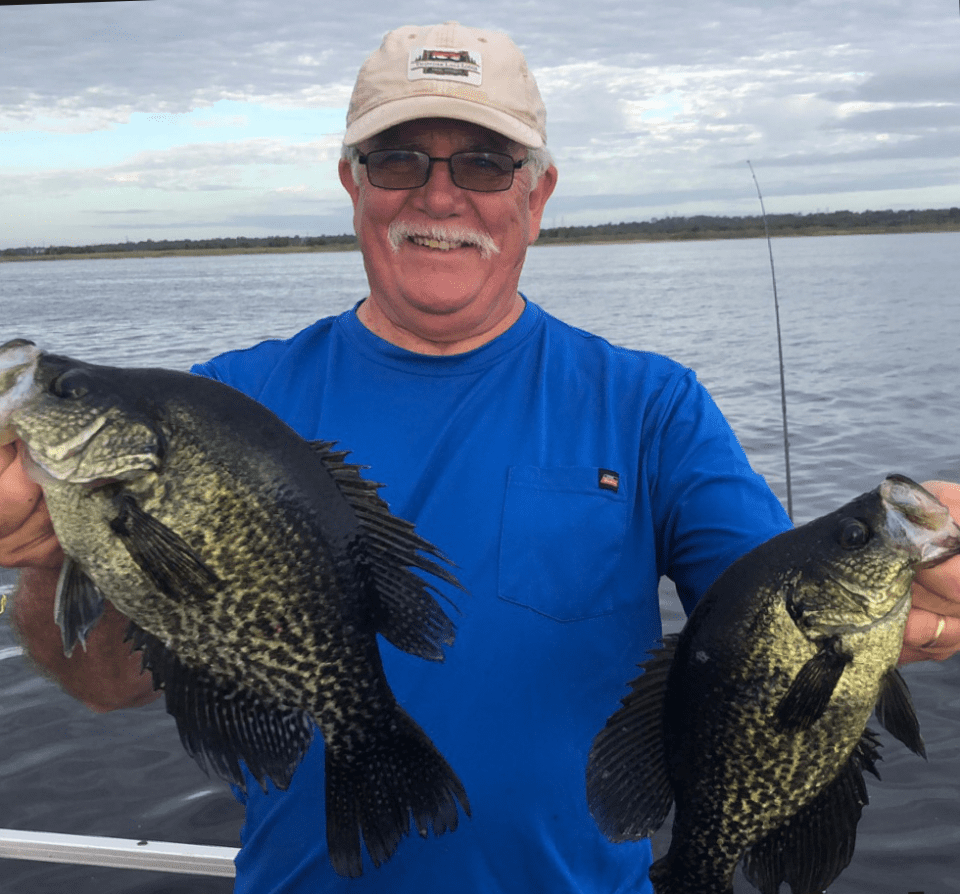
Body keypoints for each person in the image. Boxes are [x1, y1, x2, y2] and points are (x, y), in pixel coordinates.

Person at [1, 20, 959, 894]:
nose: (439, 194)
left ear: (537, 196)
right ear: (352, 185)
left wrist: (916, 600)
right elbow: (108, 684)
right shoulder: (226, 405)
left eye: (487, 164)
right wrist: (49, 561)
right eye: (397, 159)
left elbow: (771, 625)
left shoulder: (651, 405)